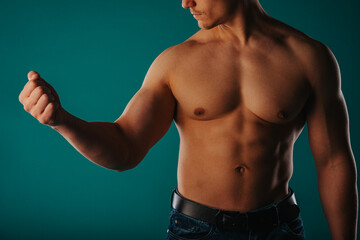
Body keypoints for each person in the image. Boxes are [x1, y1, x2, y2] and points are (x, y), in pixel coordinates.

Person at [18, 0, 357, 239]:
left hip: (279, 229)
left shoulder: (309, 58)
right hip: (196, 231)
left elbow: (334, 162)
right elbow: (125, 147)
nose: (185, 2)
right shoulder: (175, 64)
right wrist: (62, 120)